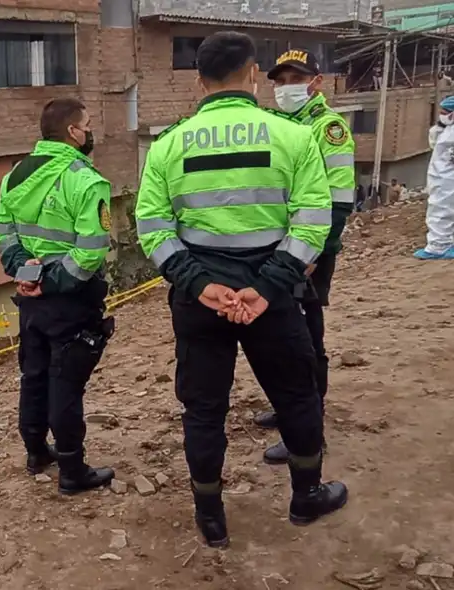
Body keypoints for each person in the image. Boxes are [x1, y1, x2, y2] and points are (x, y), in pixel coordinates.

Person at [135, 31, 348, 548]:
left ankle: (210, 517)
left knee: (204, 410)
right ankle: (305, 496)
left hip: (198, 299)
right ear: (253, 74)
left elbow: (151, 228)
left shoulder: (167, 145)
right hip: (271, 298)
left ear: (200, 79)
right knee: (297, 396)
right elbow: (314, 219)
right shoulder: (292, 137)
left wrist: (197, 283)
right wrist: (269, 287)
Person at [0, 98, 116, 495]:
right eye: (87, 125)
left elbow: (3, 233)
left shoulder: (15, 174)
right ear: (73, 133)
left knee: (34, 374)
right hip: (70, 300)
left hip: (31, 299)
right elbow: (92, 249)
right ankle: (72, 470)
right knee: (65, 384)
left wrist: (24, 273)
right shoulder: (85, 179)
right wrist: (55, 280)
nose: (90, 131)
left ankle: (35, 451)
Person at [252, 48, 357, 464]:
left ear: (316, 82)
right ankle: (288, 409)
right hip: (287, 247)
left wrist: (315, 253)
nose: (284, 88)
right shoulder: (284, 125)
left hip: (310, 249)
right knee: (283, 334)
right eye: (279, 81)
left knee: (307, 337)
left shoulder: (327, 127)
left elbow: (339, 201)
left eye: (295, 80)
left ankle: (312, 427)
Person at [415, 96, 454, 260]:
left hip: (447, 179)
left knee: (442, 211)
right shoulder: (446, 129)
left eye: (445, 112)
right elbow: (434, 141)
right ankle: (440, 244)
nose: (441, 115)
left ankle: (439, 246)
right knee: (441, 210)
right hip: (441, 178)